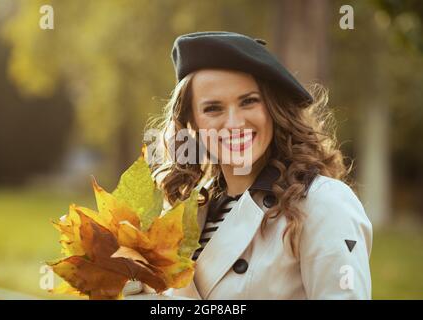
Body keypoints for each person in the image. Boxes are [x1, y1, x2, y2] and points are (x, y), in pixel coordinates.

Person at [140, 31, 373, 300]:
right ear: (191, 123)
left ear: (274, 109)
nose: (234, 123)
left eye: (248, 101)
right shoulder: (186, 213)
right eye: (213, 108)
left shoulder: (324, 203)